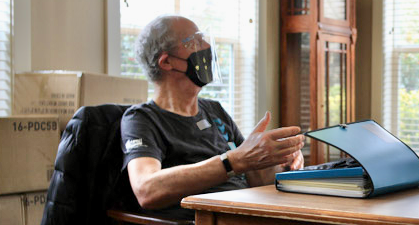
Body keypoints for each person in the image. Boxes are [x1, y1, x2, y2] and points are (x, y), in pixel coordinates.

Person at [120, 15, 305, 220]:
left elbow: (255, 177)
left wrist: (279, 160)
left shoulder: (214, 110)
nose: (207, 46)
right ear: (167, 61)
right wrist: (231, 162)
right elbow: (146, 190)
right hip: (207, 218)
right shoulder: (141, 118)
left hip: (247, 212)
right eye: (195, 41)